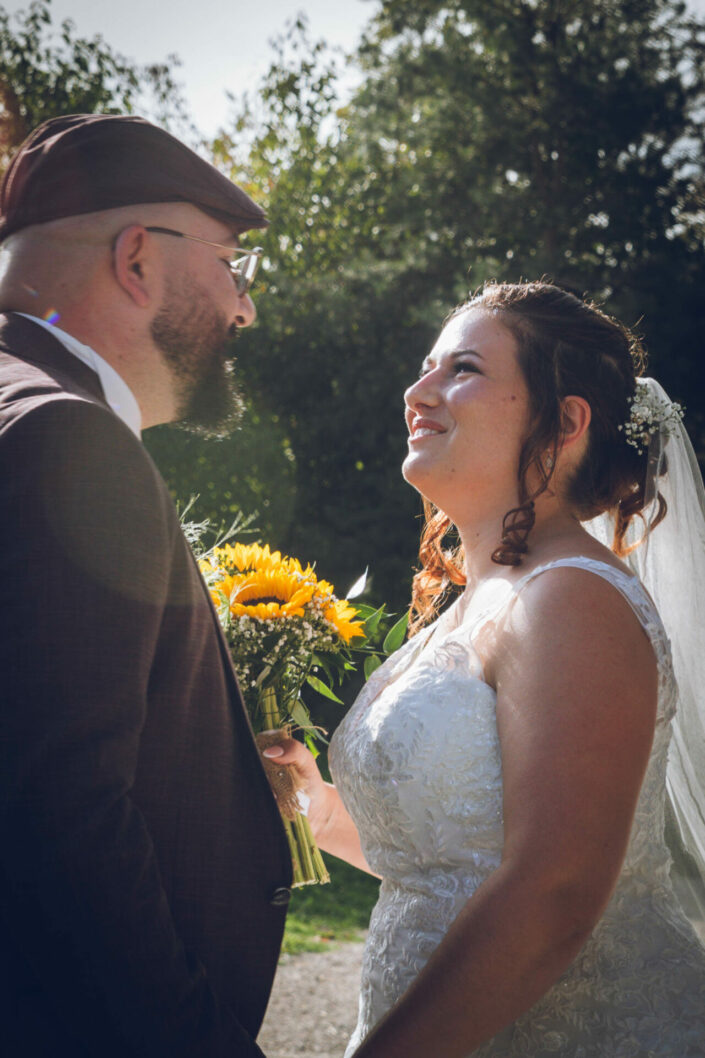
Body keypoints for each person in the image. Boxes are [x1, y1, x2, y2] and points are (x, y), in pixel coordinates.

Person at [266, 281, 705, 1056]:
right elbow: (448, 864)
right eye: (425, 366)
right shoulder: (481, 599)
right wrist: (318, 807)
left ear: (565, 421)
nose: (416, 391)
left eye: (460, 369)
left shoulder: (570, 597)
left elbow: (554, 892)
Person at [0, 113, 293, 1058]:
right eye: (231, 265)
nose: (244, 308)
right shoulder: (66, 440)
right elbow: (61, 822)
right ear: (137, 259)